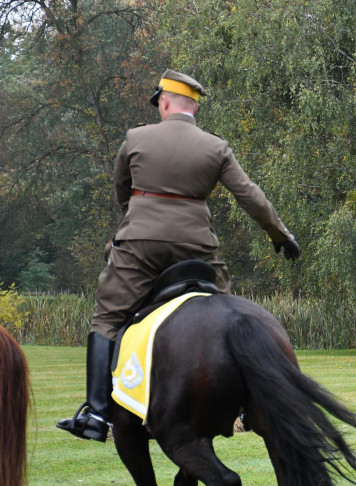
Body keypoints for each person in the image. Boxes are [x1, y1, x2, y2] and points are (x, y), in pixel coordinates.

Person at [57, 69, 301, 442]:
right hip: (197, 247)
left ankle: (97, 413)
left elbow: (122, 189)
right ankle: (247, 403)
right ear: (195, 108)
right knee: (226, 309)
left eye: (159, 103)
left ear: (165, 101)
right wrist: (280, 235)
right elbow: (250, 195)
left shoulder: (136, 138)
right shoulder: (216, 148)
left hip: (140, 246)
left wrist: (134, 219)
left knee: (106, 317)